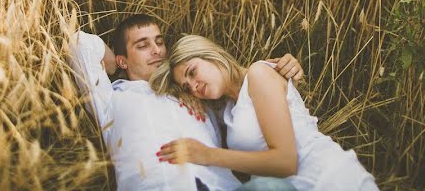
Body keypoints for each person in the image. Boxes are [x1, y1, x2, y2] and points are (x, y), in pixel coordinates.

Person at [68, 14, 304, 190]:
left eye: (159, 42)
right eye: (142, 45)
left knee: (274, 187)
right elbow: (78, 44)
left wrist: (284, 68)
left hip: (221, 187)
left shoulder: (196, 92)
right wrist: (115, 63)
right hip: (159, 186)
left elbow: (247, 99)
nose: (156, 50)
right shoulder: (111, 97)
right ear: (123, 60)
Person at [150, 35, 379, 191]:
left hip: (330, 181)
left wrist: (207, 155)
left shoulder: (259, 74)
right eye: (187, 87)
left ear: (210, 55)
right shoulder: (227, 110)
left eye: (192, 72)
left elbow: (285, 162)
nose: (194, 85)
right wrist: (186, 97)